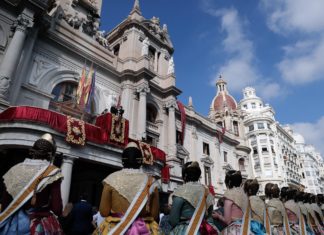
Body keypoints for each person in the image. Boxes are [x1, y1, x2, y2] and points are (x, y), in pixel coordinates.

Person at [0, 133, 64, 234]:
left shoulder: (14, 169)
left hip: (12, 225)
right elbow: (57, 209)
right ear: (50, 155)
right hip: (36, 225)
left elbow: (4, 203)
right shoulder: (52, 172)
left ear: (32, 152)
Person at [94, 142, 160, 235]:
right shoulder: (151, 182)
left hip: (115, 229)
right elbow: (154, 215)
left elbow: (104, 212)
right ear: (140, 160)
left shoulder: (111, 180)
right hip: (144, 230)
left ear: (123, 160)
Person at [168, 161, 217, 235]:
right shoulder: (207, 192)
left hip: (185, 230)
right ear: (198, 176)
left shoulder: (180, 191)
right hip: (203, 230)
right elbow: (209, 218)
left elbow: (173, 220)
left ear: (185, 176)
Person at [212, 170, 252, 234]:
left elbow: (228, 221)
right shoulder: (244, 194)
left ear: (229, 182)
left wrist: (218, 216)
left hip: (235, 230)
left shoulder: (229, 194)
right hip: (248, 228)